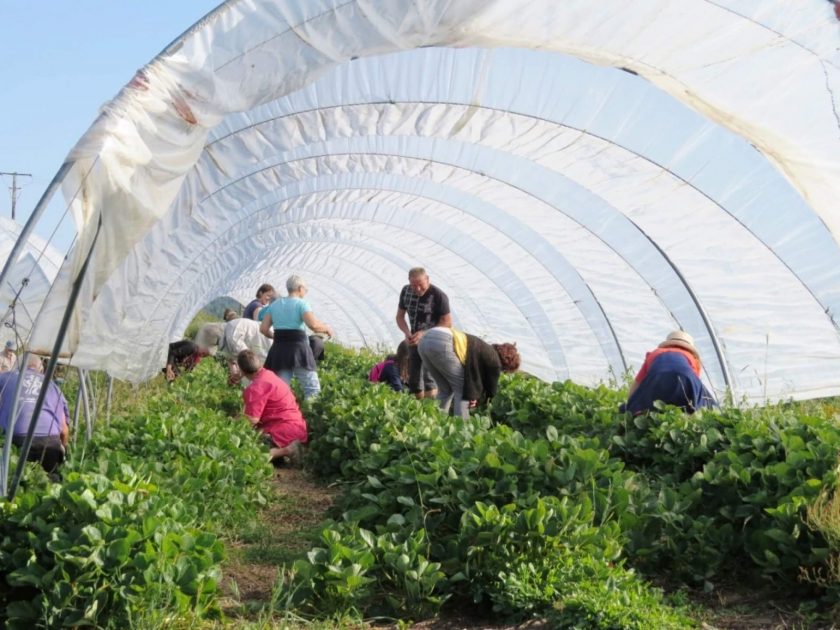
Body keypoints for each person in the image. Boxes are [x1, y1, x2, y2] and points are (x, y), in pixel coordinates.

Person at [417, 326, 520, 419]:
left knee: (446, 389)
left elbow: (474, 377)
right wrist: (480, 401)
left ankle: (434, 422)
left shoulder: (485, 351)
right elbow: (491, 390)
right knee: (463, 390)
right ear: (506, 365)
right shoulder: (495, 361)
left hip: (425, 339)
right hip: (443, 341)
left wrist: (474, 396)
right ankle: (461, 430)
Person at [260, 275, 334, 399]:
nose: (305, 292)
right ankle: (309, 413)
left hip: (279, 350)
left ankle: (281, 415)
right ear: (300, 288)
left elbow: (263, 329)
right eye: (305, 289)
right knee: (311, 387)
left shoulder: (275, 305)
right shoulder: (301, 304)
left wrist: (275, 337)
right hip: (299, 350)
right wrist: (327, 328)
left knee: (281, 388)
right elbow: (313, 325)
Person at [0, 354, 70, 479]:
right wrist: (62, 451)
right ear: (41, 369)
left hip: (17, 442)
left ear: (17, 367)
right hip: (50, 444)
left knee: (13, 482)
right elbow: (64, 430)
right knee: (47, 482)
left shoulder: (6, 377)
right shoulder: (52, 385)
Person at [622, 330, 717, 415]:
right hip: (685, 378)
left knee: (639, 408)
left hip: (657, 377)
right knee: (705, 401)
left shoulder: (655, 353)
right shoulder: (692, 358)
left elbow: (637, 383)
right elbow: (694, 386)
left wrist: (631, 404)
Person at [237, 349, 307, 464]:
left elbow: (252, 420)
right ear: (259, 363)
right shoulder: (269, 375)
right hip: (297, 427)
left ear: (242, 371)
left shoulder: (256, 388)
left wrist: (233, 422)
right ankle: (285, 453)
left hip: (282, 431)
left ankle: (285, 451)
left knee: (249, 453)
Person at [396, 267, 452, 399]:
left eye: (420, 284)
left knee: (429, 378)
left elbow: (448, 323)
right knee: (414, 380)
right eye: (413, 285)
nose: (417, 289)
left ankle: (430, 411)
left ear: (427, 279)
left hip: (433, 341)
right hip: (414, 341)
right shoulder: (406, 291)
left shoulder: (439, 296)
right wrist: (407, 332)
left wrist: (424, 333)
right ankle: (419, 410)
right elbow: (399, 317)